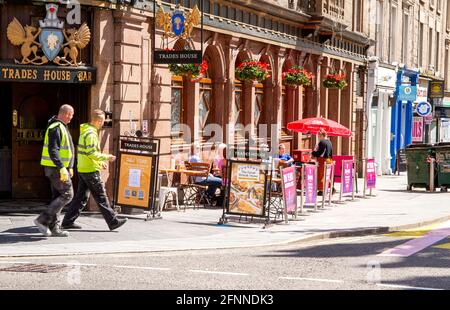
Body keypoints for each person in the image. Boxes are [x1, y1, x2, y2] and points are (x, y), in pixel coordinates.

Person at [62, 109, 127, 231]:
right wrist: (107, 157)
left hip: (83, 168)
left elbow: (87, 153)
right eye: (102, 121)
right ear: (98, 121)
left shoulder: (85, 131)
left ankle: (67, 221)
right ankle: (113, 222)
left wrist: (100, 162)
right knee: (101, 197)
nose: (102, 124)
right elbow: (92, 153)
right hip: (90, 171)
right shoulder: (91, 134)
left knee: (81, 198)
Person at [34, 104, 75, 237]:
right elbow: (53, 150)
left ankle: (55, 227)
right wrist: (62, 167)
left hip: (59, 168)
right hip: (56, 169)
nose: (71, 118)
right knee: (68, 194)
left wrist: (70, 166)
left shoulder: (61, 126)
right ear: (65, 113)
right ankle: (42, 220)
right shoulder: (56, 127)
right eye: (71, 115)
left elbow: (68, 148)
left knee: (58, 196)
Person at [312, 129, 333, 193]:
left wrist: (313, 153)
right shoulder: (329, 142)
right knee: (327, 175)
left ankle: (321, 190)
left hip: (323, 160)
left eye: (319, 135)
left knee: (321, 175)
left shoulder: (322, 142)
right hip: (329, 160)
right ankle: (330, 187)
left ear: (321, 135)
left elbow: (320, 153)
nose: (318, 137)